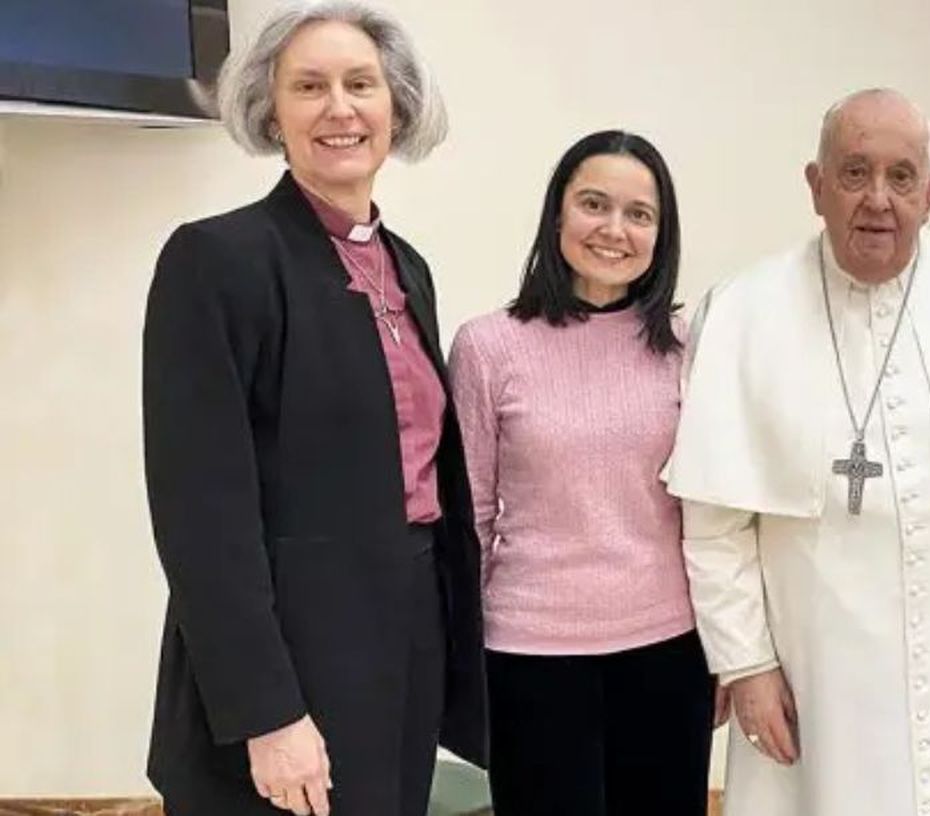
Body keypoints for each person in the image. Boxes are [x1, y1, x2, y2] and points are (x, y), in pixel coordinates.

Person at [665, 88, 930, 816]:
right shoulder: (742, 308)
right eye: (854, 172)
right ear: (815, 185)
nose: (878, 198)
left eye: (902, 177)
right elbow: (714, 521)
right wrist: (746, 665)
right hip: (816, 671)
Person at [141, 3, 485, 814]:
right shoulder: (218, 261)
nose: (340, 108)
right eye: (310, 86)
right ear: (272, 108)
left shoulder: (409, 269)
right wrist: (269, 714)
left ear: (395, 104)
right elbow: (202, 518)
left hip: (402, 643)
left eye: (360, 83)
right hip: (292, 657)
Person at [448, 130, 718, 815]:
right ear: (557, 214)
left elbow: (710, 514)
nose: (614, 230)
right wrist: (460, 667)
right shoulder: (489, 346)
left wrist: (726, 650)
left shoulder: (690, 347)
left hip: (668, 651)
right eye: (594, 204)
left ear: (663, 232)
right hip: (531, 656)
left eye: (639, 214)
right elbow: (469, 519)